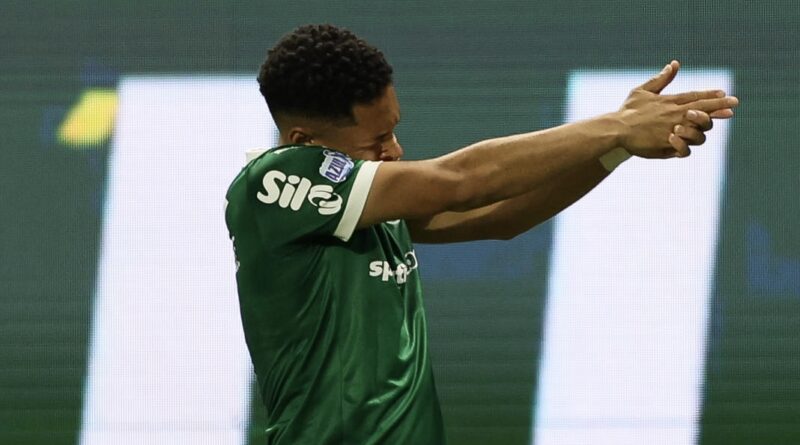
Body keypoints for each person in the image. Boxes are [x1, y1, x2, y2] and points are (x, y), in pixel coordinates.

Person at [224, 24, 738, 444]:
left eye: (393, 130)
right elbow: (460, 180)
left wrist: (616, 149)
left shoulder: (366, 207)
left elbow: (501, 216)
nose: (395, 151)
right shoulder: (272, 186)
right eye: (377, 140)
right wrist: (617, 125)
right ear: (303, 142)